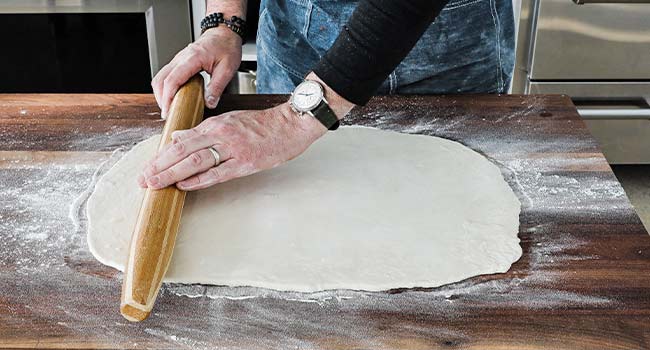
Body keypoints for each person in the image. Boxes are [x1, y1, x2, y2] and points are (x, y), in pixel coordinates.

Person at [138, 0, 515, 191]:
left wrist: (291, 120)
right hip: (296, 46)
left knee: (446, 199)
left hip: (444, 51)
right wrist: (223, 22)